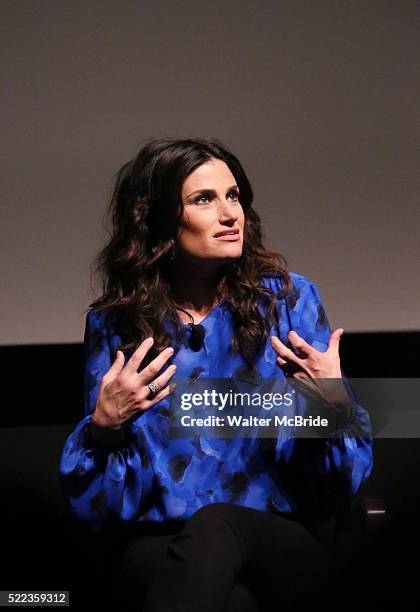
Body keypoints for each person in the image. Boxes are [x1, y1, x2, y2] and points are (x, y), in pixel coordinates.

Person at [59, 137, 373, 611]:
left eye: (234, 196)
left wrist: (330, 408)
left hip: (282, 536)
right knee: (232, 601)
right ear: (159, 218)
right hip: (161, 542)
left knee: (216, 525)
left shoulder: (287, 303)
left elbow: (341, 486)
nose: (231, 214)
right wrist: (104, 431)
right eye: (204, 199)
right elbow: (96, 507)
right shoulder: (116, 323)